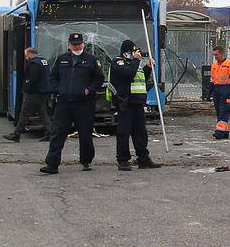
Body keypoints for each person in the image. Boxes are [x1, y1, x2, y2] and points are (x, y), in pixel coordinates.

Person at [40, 32, 105, 175]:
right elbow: (53, 77)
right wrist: (58, 90)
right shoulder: (62, 59)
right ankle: (52, 164)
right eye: (73, 45)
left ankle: (86, 160)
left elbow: (99, 79)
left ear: (83, 44)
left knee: (85, 134)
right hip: (64, 103)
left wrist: (89, 90)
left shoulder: (91, 60)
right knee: (57, 133)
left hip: (83, 104)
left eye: (79, 44)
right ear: (69, 45)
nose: (76, 47)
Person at [108, 39, 158, 171]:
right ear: (126, 52)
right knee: (124, 132)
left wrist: (147, 67)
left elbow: (141, 78)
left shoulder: (135, 63)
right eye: (133, 51)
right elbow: (128, 75)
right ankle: (123, 159)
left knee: (140, 132)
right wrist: (136, 60)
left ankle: (143, 158)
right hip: (126, 102)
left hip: (138, 102)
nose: (136, 54)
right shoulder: (118, 62)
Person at [4, 46, 51, 142]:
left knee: (24, 113)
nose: (26, 57)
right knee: (43, 113)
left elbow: (31, 79)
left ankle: (16, 134)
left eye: (26, 55)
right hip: (44, 92)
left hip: (34, 93)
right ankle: (50, 133)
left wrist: (26, 90)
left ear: (30, 54)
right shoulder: (44, 62)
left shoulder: (34, 63)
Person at [208, 46, 230, 139]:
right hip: (217, 90)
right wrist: (209, 93)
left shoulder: (229, 64)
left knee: (224, 111)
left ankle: (220, 132)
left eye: (216, 55)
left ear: (221, 54)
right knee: (219, 111)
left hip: (227, 90)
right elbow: (212, 80)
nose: (215, 57)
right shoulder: (214, 65)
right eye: (214, 55)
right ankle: (224, 132)